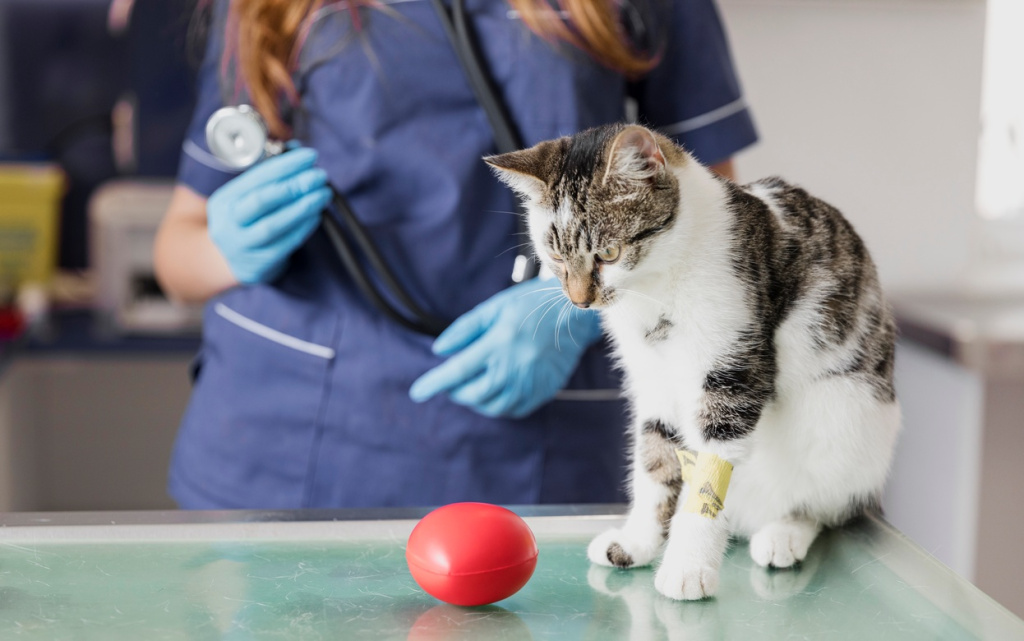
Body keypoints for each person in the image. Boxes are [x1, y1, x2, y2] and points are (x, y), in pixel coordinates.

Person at [153, 0, 758, 509]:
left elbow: (720, 228)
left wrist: (574, 309)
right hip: (283, 450)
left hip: (534, 455)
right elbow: (176, 256)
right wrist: (226, 250)